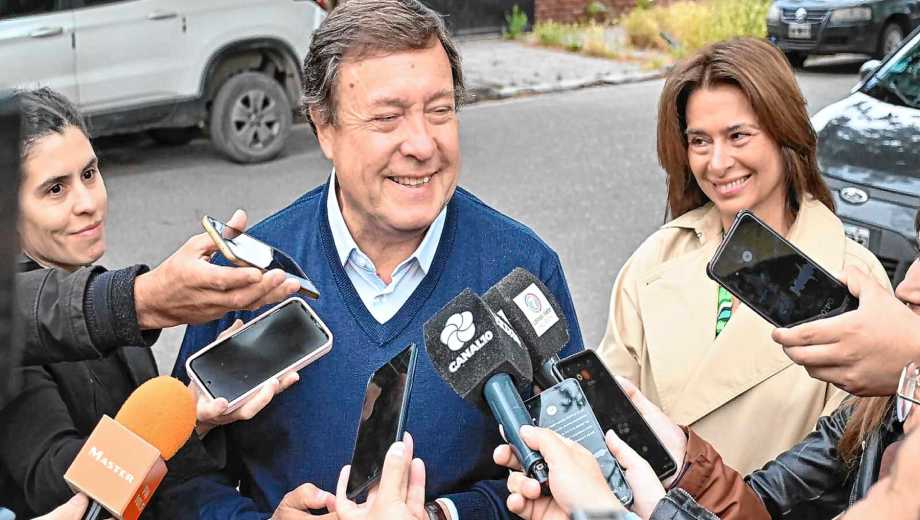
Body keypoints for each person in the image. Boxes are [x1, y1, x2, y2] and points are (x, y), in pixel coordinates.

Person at [171, 1, 584, 518]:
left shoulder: (522, 269)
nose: (421, 144)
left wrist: (445, 516)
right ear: (324, 128)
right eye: (388, 118)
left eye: (440, 110)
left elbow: (572, 474)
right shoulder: (246, 277)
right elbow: (180, 473)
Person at [596, 37, 891, 475]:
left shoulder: (854, 280)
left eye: (738, 136)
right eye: (699, 141)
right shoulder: (654, 260)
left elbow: (842, 462)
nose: (717, 163)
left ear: (784, 132)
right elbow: (609, 414)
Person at [0, 88, 300, 518]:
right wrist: (184, 417)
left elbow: (170, 485)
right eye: (54, 190)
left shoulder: (101, 291)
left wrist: (200, 413)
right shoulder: (14, 333)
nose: (87, 204)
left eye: (89, 174)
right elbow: (55, 485)